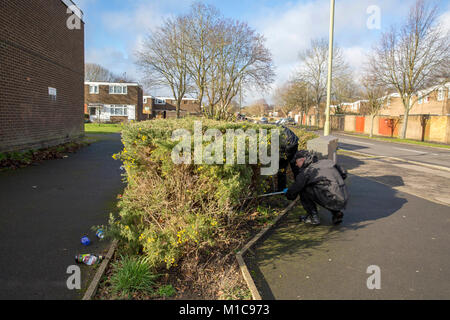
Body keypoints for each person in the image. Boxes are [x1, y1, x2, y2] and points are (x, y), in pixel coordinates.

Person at [285, 150, 349, 226]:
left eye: (296, 162)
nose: (296, 165)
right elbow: (344, 174)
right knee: (328, 190)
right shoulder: (328, 162)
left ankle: (313, 218)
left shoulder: (307, 171)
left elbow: (294, 190)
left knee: (303, 189)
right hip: (343, 196)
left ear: (302, 160)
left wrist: (288, 193)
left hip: (330, 198)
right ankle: (336, 212)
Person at [277, 126, 300, 192]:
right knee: (295, 167)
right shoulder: (278, 126)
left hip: (288, 146)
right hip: (294, 143)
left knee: (281, 168)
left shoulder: (271, 132)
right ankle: (300, 187)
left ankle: (281, 190)